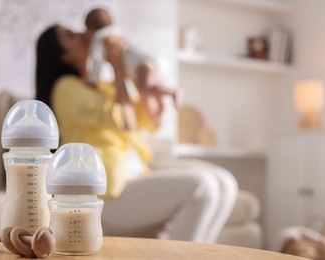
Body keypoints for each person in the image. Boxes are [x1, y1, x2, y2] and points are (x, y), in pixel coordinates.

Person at [35, 24, 237, 243]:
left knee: (226, 183)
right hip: (105, 194)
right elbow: (126, 121)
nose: (83, 34)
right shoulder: (64, 88)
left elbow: (149, 119)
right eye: (71, 35)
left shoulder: (104, 87)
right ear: (62, 55)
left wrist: (133, 70)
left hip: (134, 178)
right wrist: (117, 68)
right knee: (203, 184)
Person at [84, 8, 181, 109]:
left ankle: (172, 92)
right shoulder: (116, 31)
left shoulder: (99, 37)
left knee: (146, 86)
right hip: (145, 59)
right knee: (151, 85)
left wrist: (93, 80)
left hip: (139, 64)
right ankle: (164, 99)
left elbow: (96, 59)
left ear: (90, 29)